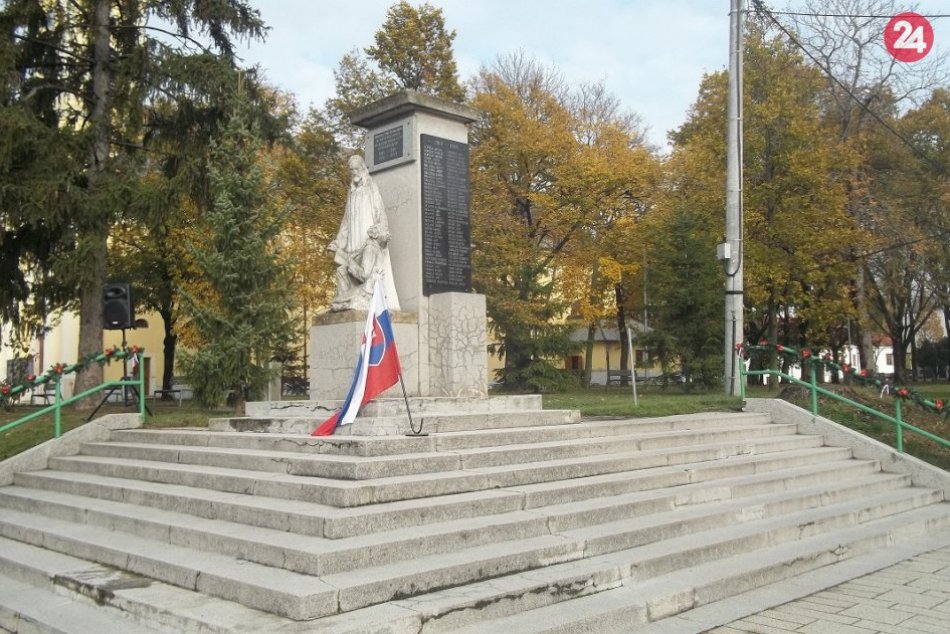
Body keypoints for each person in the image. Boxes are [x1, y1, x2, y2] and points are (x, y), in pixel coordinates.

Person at [328, 155, 400, 311]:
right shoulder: (351, 192)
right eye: (351, 170)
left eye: (356, 169)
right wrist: (338, 243)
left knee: (364, 270)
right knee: (343, 270)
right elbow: (346, 222)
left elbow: (380, 213)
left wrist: (379, 232)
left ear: (362, 169)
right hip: (353, 245)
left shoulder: (371, 187)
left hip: (367, 241)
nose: (354, 172)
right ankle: (345, 303)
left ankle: (361, 300)